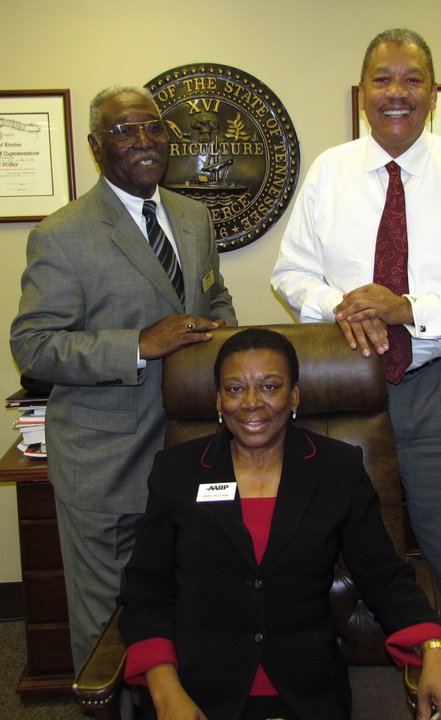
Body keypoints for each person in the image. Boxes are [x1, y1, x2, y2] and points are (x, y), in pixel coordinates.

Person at [271, 28, 441, 686]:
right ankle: (347, 690)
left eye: (412, 79)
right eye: (382, 79)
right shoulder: (330, 172)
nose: (397, 92)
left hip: (440, 384)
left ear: (432, 94)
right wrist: (343, 307)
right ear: (363, 94)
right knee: (337, 549)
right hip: (343, 388)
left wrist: (409, 307)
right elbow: (292, 274)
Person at [118, 327, 441, 720]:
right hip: (194, 694)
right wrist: (167, 692)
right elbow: (145, 589)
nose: (252, 403)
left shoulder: (337, 468)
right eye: (235, 389)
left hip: (306, 695)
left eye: (270, 386)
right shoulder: (177, 471)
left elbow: (384, 575)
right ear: (218, 399)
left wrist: (435, 647)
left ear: (295, 396)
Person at [10, 86, 237, 673]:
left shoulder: (192, 216)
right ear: (95, 146)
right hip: (105, 463)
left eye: (153, 127)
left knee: (186, 602)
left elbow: (214, 297)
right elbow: (33, 348)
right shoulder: (61, 234)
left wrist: (222, 342)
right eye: (123, 130)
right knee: (110, 621)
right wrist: (138, 344)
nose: (143, 140)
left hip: (191, 452)